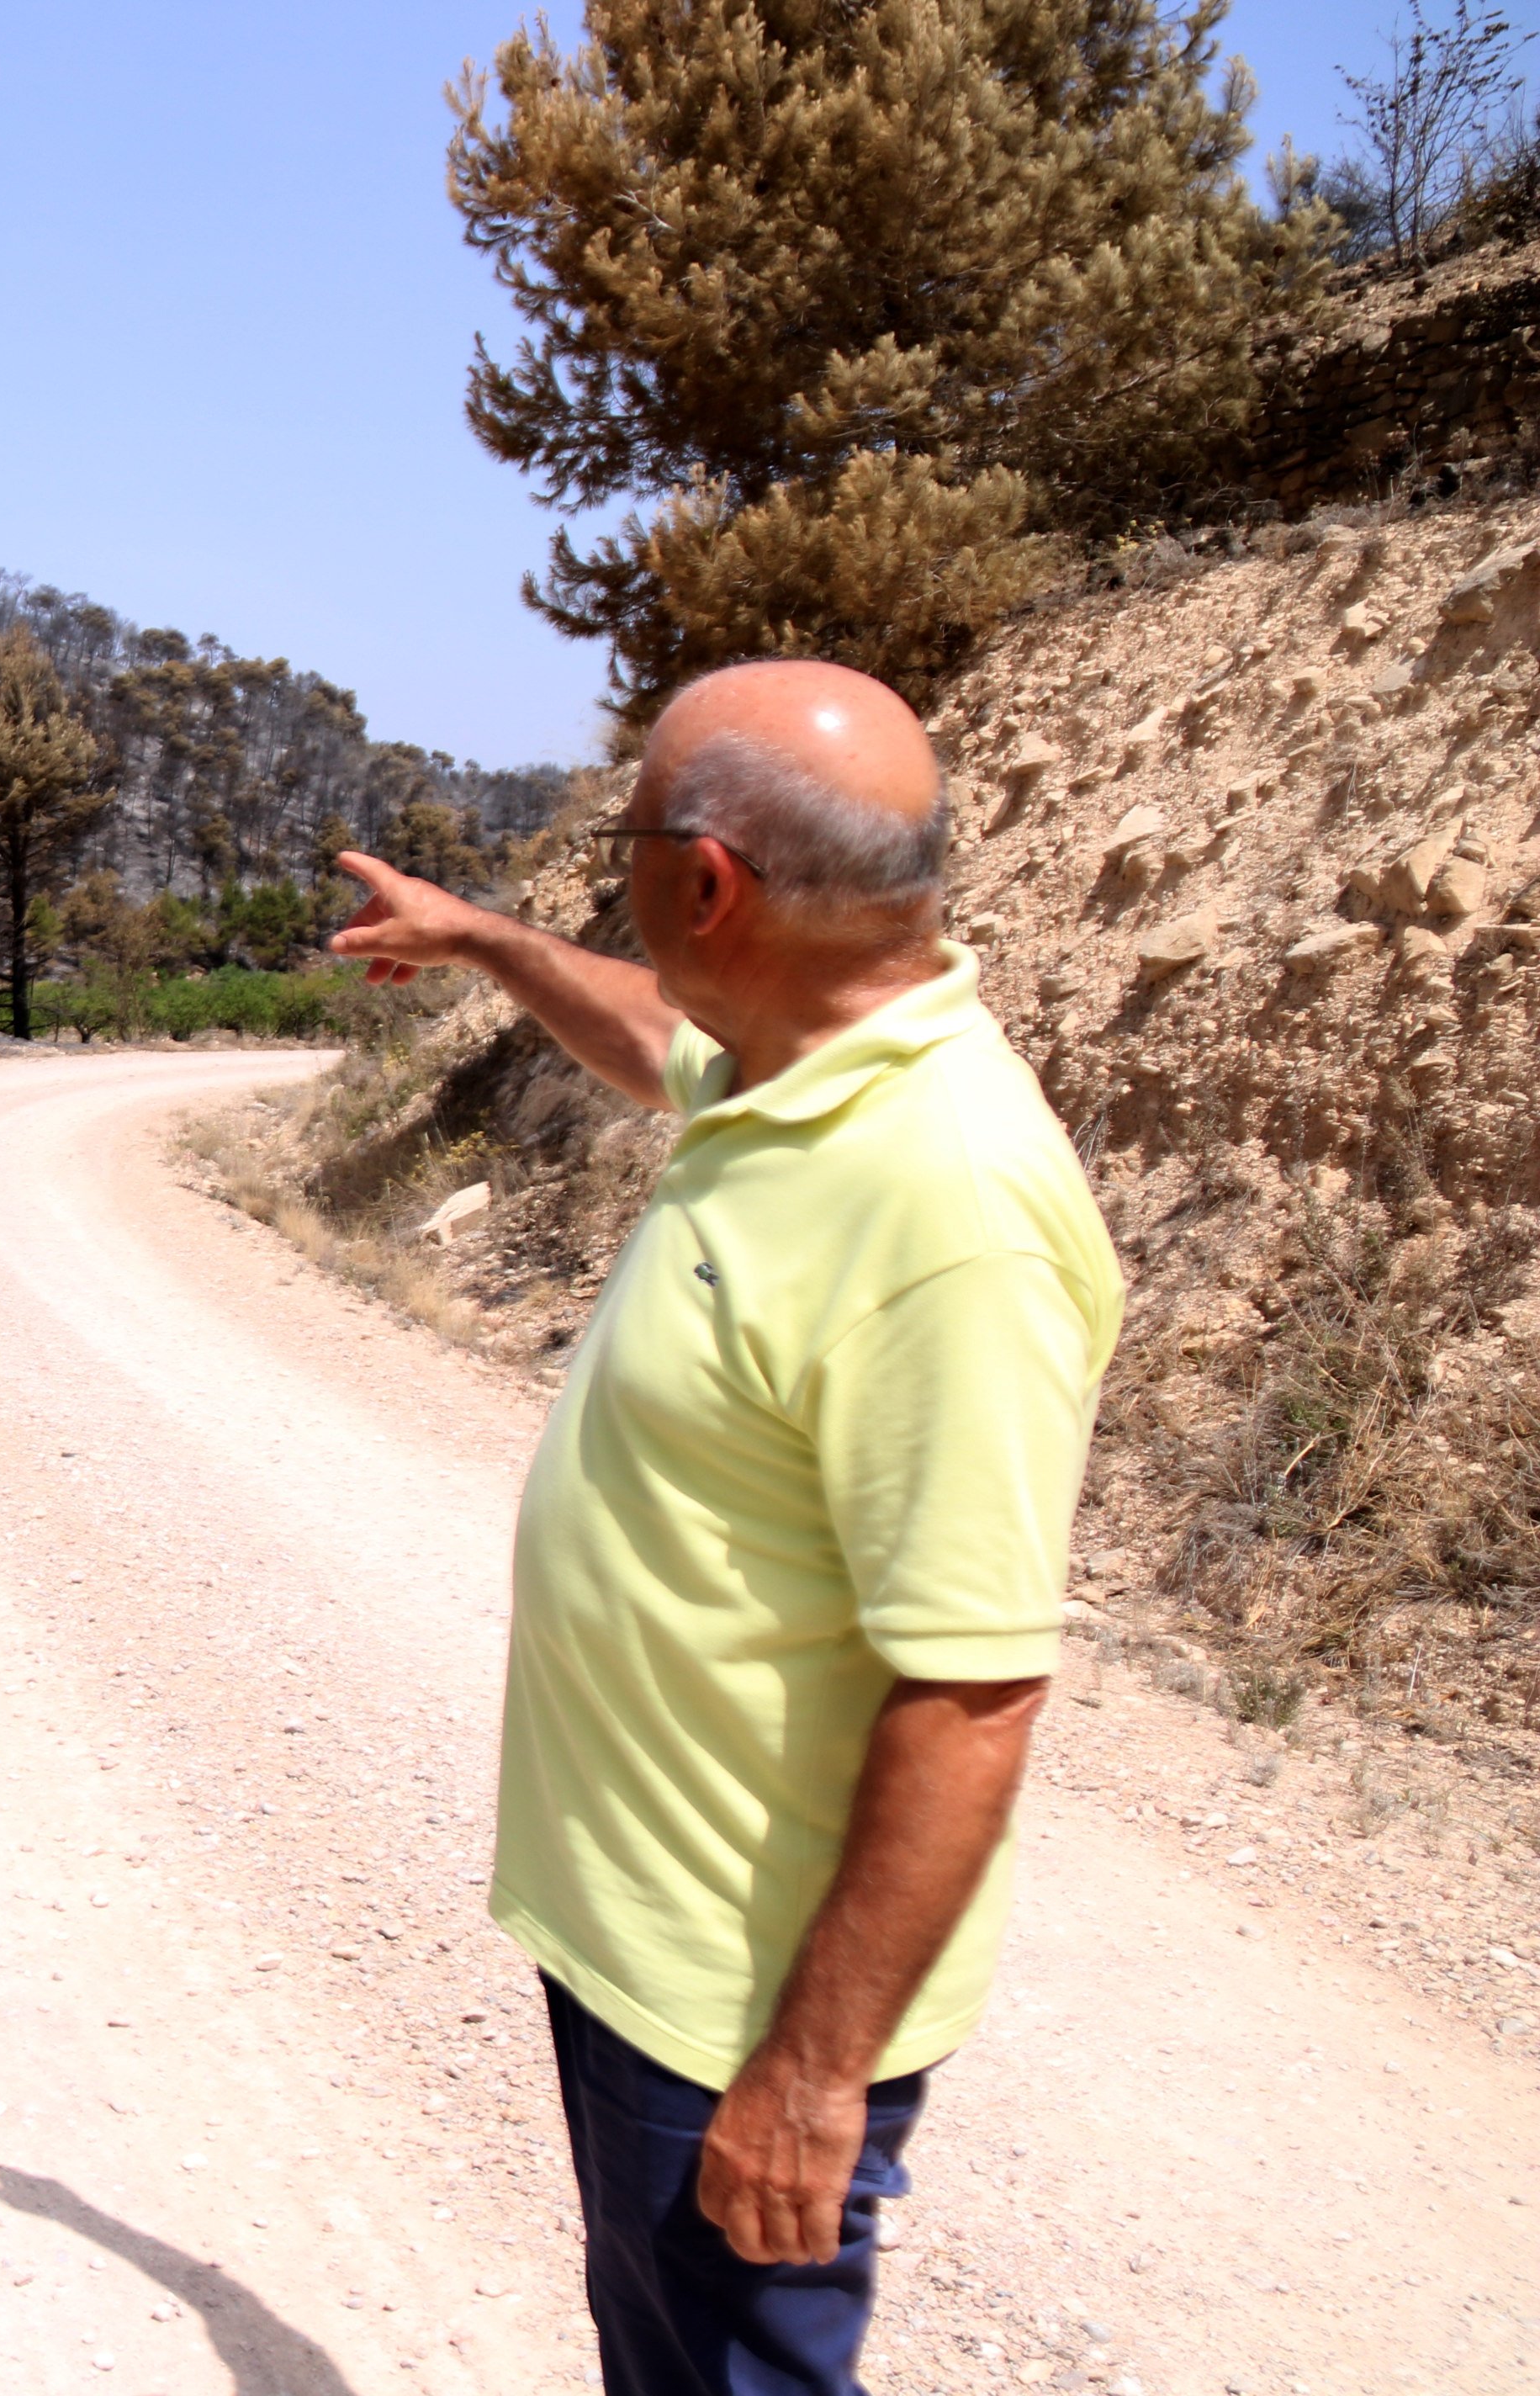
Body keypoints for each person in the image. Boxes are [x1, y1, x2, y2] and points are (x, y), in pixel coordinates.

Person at [329, 660, 1120, 2396]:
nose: (604, 872)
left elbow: (974, 1691)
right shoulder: (799, 1068)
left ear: (708, 883)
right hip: (650, 1942)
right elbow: (651, 1039)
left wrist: (814, 2073)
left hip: (740, 2001)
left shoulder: (946, 1203)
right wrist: (483, 940)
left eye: (623, 838)